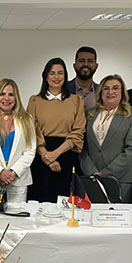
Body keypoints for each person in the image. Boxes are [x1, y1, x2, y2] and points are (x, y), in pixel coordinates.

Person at [27, 58, 86, 203]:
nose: (56, 77)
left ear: (65, 76)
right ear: (45, 76)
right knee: (40, 203)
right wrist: (47, 156)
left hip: (66, 157)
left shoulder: (76, 101)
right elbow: (31, 130)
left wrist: (55, 154)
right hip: (41, 157)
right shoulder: (35, 101)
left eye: (60, 73)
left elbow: (78, 132)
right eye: (52, 73)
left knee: (66, 205)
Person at [80, 74, 132, 203]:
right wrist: (91, 172)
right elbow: (83, 147)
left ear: (122, 92)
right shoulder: (90, 114)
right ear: (100, 92)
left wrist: (106, 173)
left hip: (121, 180)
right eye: (106, 88)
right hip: (92, 178)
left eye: (115, 88)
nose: (110, 92)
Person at [67, 46, 99, 113]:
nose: (86, 64)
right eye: (81, 61)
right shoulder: (63, 89)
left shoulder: (101, 91)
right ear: (74, 66)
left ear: (96, 66)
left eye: (90, 61)